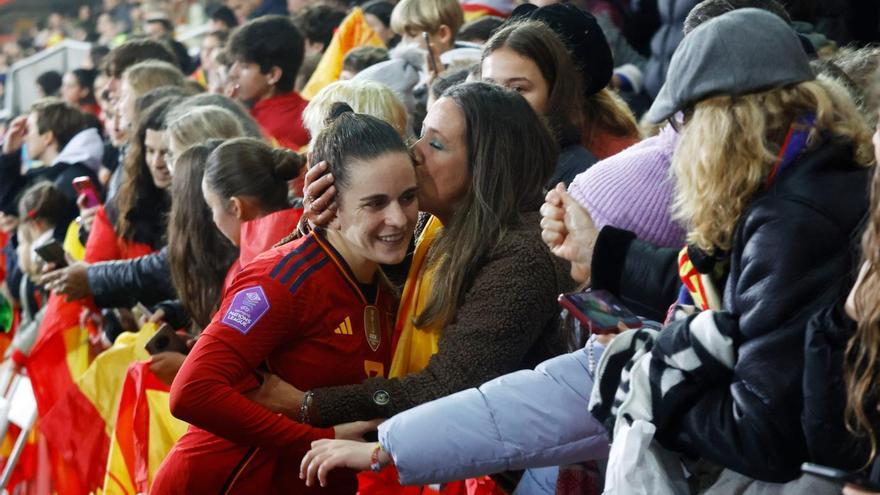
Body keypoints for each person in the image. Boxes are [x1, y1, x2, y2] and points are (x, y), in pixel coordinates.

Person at [543, 8, 873, 489]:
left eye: (684, 118)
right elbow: (743, 297)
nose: (678, 136)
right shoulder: (821, 169)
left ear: (721, 122)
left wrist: (643, 377)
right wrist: (602, 250)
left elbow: (761, 438)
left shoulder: (790, 223)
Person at [152, 107, 418, 493]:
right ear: (331, 202)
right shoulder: (282, 280)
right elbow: (192, 391)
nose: (398, 218)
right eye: (375, 203)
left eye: (408, 197)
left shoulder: (386, 278)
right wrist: (316, 437)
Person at [481, 20, 597, 186]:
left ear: (554, 92)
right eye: (489, 87)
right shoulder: (474, 153)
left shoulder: (579, 172)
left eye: (517, 89)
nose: (499, 100)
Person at [227, 15, 310, 150]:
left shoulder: (256, 128)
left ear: (272, 75)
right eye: (234, 63)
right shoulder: (311, 110)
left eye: (244, 66)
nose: (232, 73)